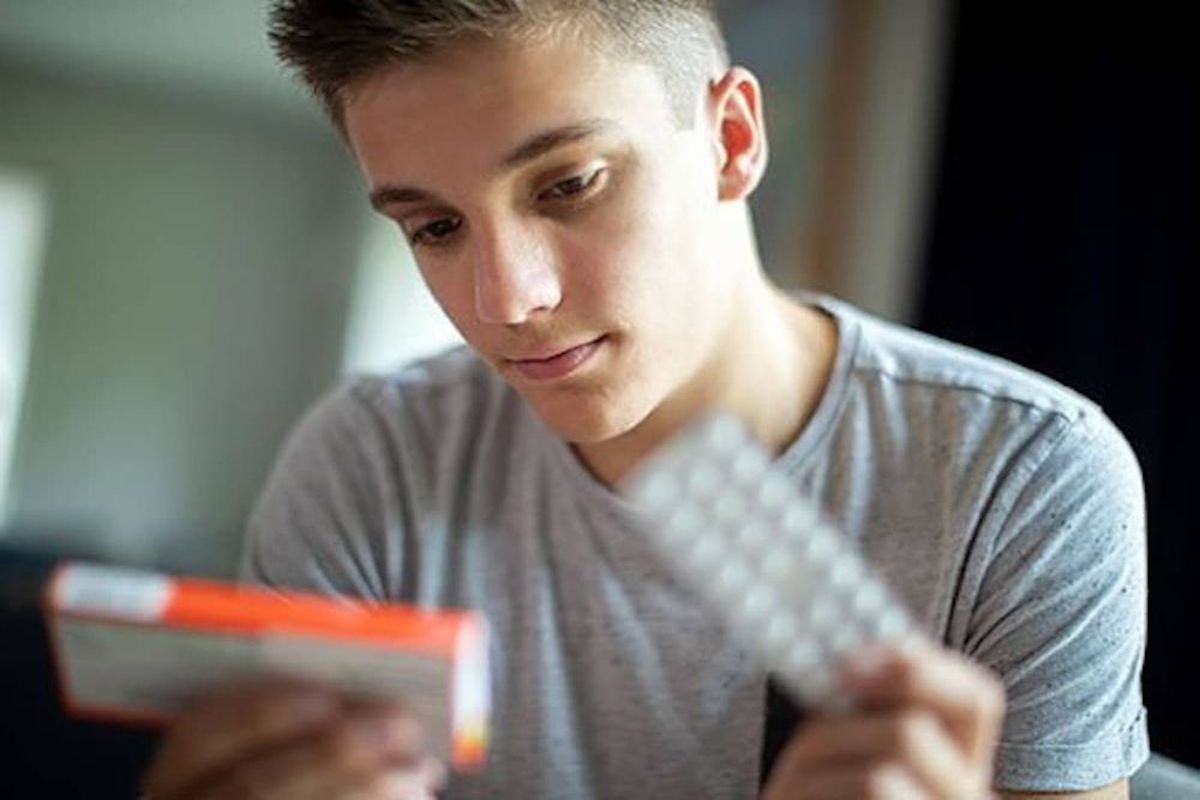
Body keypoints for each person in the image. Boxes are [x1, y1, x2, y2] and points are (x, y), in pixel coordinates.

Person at [141, 1, 1148, 798]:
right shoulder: (369, 465)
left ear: (734, 137)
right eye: (437, 227)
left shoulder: (1024, 478)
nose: (508, 301)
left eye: (568, 184)